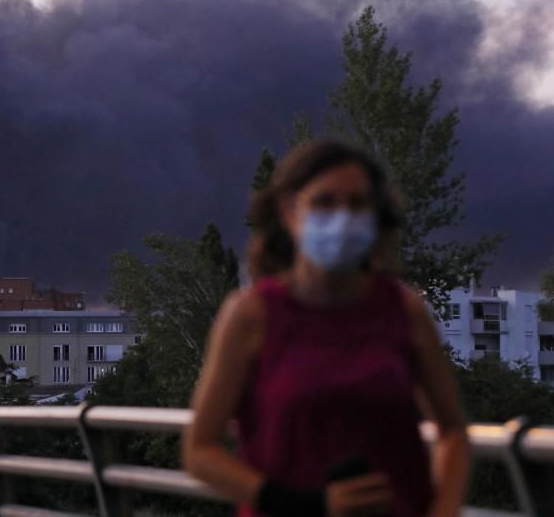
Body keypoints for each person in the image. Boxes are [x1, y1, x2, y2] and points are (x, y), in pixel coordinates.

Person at [182, 138, 469, 517]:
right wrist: (307, 505)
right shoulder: (251, 316)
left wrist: (444, 509)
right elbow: (200, 450)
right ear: (289, 212)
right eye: (324, 202)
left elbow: (452, 429)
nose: (342, 218)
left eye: (357, 204)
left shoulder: (404, 309)